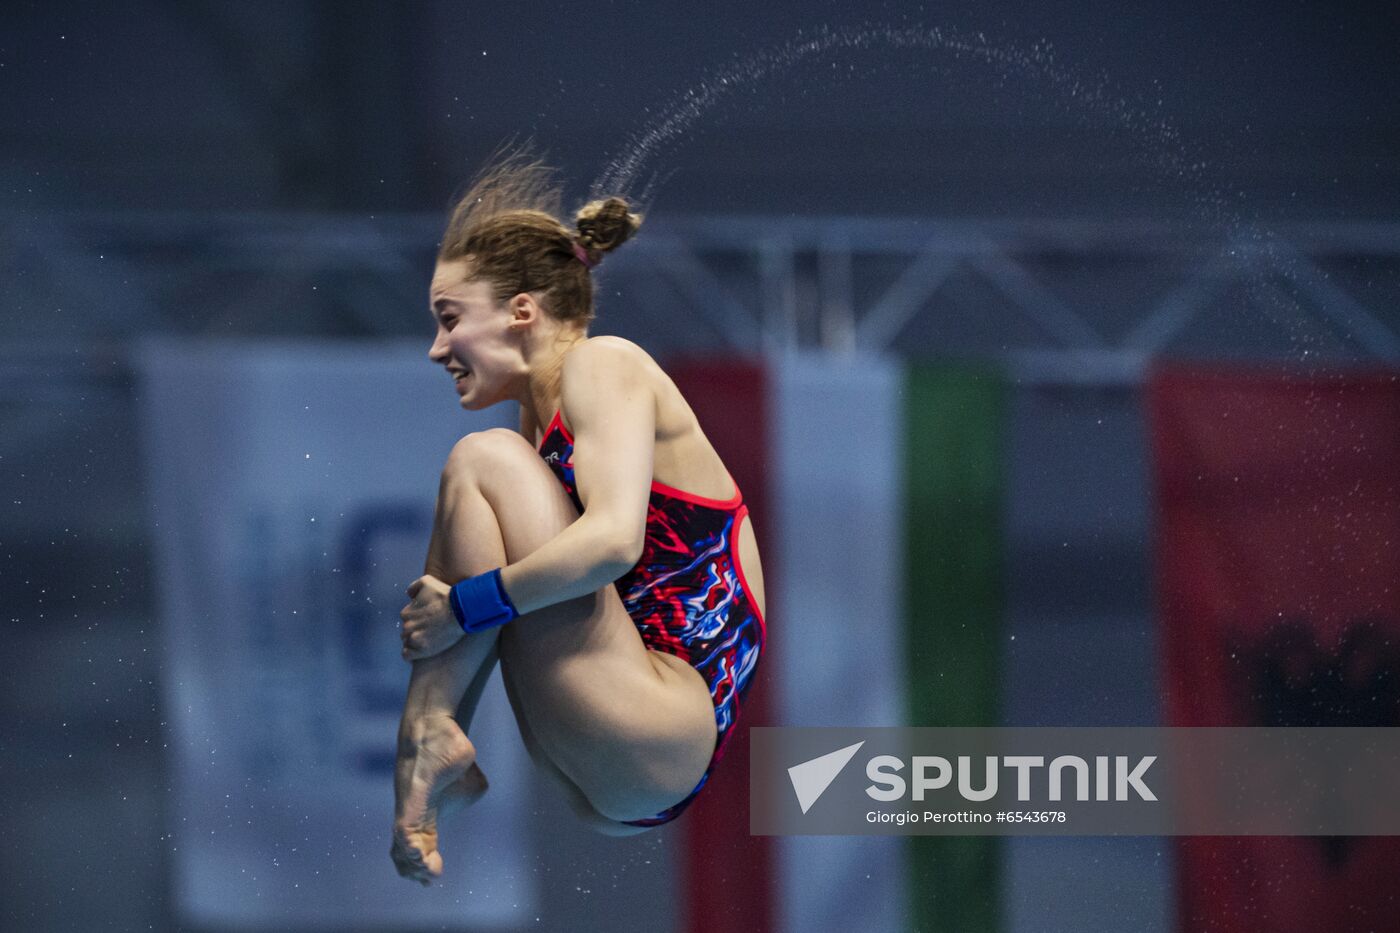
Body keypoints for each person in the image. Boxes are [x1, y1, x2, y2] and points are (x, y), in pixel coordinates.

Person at [389, 150, 768, 885]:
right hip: (613, 756)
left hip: (662, 714)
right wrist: (468, 611)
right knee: (489, 466)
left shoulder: (607, 366)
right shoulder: (539, 425)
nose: (437, 348)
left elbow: (614, 543)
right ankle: (431, 747)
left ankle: (425, 740)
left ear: (522, 311)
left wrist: (464, 605)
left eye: (449, 319)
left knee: (482, 459)